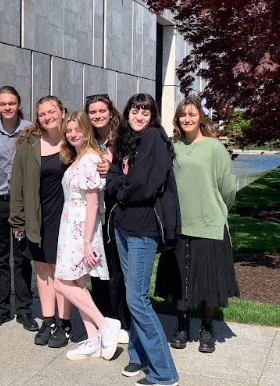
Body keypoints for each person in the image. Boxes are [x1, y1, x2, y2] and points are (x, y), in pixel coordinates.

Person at [155, 95, 238, 354]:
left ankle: (207, 327)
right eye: (183, 115)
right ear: (177, 118)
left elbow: (228, 188)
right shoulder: (172, 146)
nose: (187, 119)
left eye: (192, 114)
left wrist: (217, 209)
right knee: (181, 278)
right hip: (179, 223)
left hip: (209, 222)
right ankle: (182, 325)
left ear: (200, 117)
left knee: (208, 279)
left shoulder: (214, 147)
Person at [107, 94, 180, 386]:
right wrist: (121, 185)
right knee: (132, 293)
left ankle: (165, 372)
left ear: (152, 116)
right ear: (128, 114)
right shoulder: (124, 141)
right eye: (135, 111)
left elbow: (145, 184)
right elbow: (112, 176)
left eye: (145, 112)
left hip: (143, 229)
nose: (139, 117)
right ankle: (138, 355)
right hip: (122, 226)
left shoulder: (153, 139)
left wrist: (121, 191)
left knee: (137, 298)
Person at [53, 111, 122, 361]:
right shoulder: (79, 157)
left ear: (87, 130)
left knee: (62, 282)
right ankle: (93, 339)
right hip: (70, 224)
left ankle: (105, 325)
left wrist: (85, 242)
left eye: (76, 129)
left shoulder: (90, 159)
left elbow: (92, 203)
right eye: (68, 130)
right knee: (78, 284)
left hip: (81, 228)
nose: (72, 134)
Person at [9, 95, 74, 348]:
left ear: (62, 110)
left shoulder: (73, 139)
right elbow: (17, 184)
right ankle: (48, 320)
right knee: (43, 270)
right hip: (37, 217)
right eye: (42, 114)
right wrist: (18, 222)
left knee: (62, 272)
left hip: (66, 217)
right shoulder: (30, 143)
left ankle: (64, 323)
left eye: (52, 112)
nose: (47, 117)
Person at [0, 86, 37, 331]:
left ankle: (25, 310)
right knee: (1, 258)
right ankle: (1, 309)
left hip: (23, 207)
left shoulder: (31, 130)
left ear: (19, 104)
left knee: (22, 257)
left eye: (11, 103)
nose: (7, 107)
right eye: (3, 103)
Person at [84, 94, 131, 344]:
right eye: (92, 112)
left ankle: (122, 318)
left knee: (118, 268)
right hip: (92, 211)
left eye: (101, 111)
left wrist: (112, 165)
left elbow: (133, 171)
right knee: (97, 268)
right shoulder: (86, 140)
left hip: (117, 210)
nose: (97, 115)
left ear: (111, 112)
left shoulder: (122, 138)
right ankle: (102, 318)